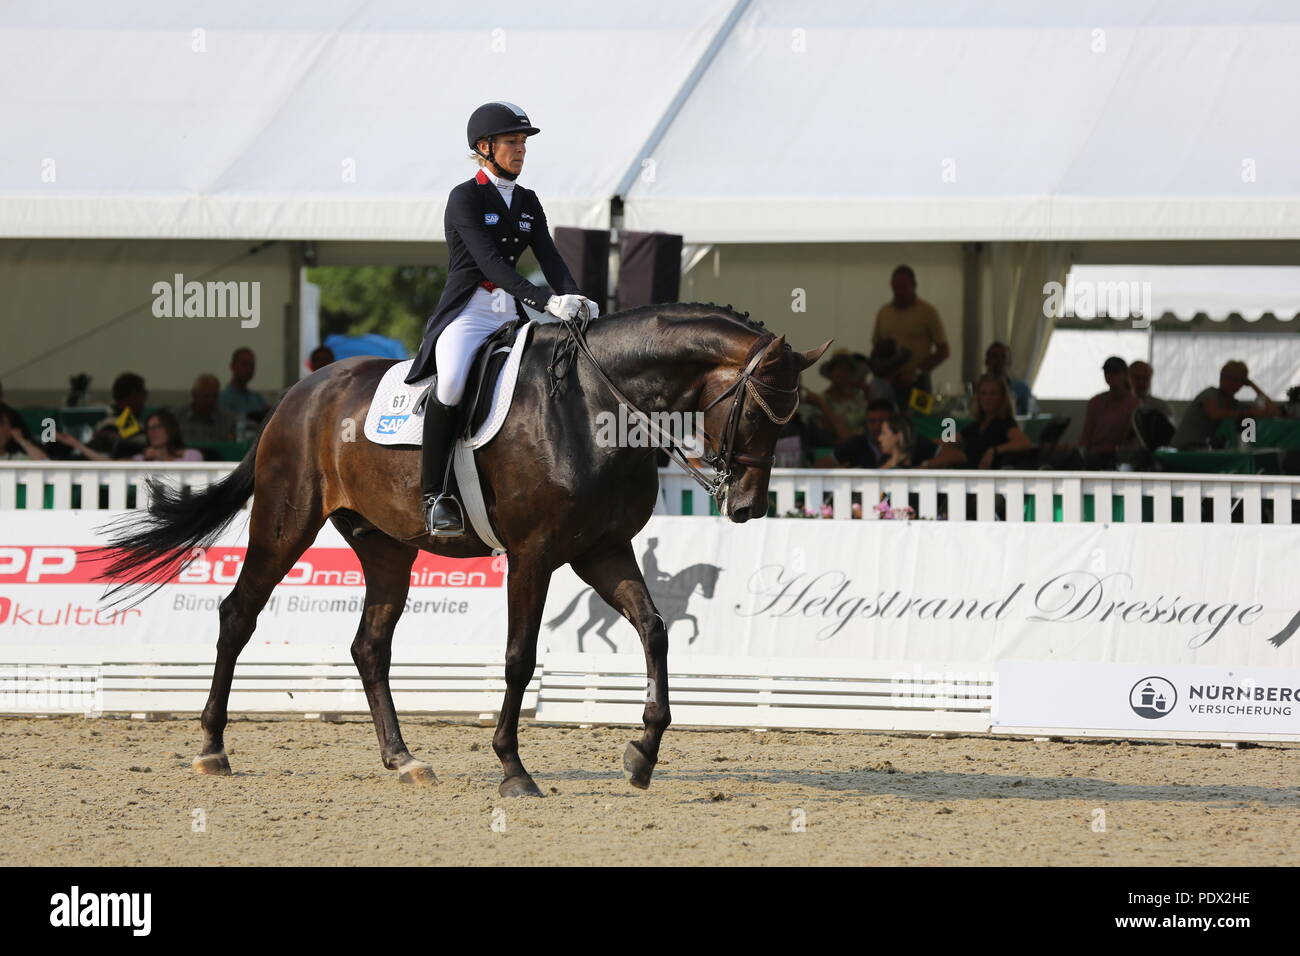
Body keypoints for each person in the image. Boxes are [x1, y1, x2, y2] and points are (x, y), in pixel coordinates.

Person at [404, 102, 598, 537]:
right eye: (512, 141)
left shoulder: (527, 202)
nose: (521, 150)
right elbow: (492, 265)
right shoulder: (465, 197)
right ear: (484, 147)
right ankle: (434, 495)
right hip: (468, 312)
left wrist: (578, 298)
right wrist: (548, 302)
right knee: (452, 382)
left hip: (508, 316)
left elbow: (549, 257)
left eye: (524, 142)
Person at [872, 265, 950, 409]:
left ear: (914, 285)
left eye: (904, 287)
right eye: (896, 287)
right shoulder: (884, 312)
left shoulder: (928, 312)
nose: (899, 291)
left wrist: (917, 371)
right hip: (887, 382)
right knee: (886, 422)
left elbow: (943, 351)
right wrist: (880, 370)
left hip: (918, 381)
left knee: (921, 423)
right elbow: (876, 346)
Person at [1170, 359, 1282, 450]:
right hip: (1185, 448)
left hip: (1207, 448)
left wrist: (1253, 386)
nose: (1227, 381)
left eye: (1234, 379)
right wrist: (1249, 412)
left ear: (1242, 383)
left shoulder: (1234, 404)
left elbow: (1274, 412)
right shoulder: (1210, 393)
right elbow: (1215, 414)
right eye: (1224, 376)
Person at [928, 373, 1033, 469]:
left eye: (993, 394)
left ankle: (923, 468)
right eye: (983, 393)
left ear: (1002, 397)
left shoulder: (1005, 423)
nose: (987, 398)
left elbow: (1024, 443)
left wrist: (995, 450)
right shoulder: (978, 424)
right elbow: (953, 439)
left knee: (954, 456)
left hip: (984, 475)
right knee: (945, 452)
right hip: (965, 472)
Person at [59, 409, 203, 462]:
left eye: (157, 427)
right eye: (148, 429)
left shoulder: (191, 455)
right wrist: (76, 444)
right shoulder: (143, 459)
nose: (151, 432)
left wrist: (161, 457)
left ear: (170, 429)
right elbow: (109, 464)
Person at [1076, 356, 1140, 468]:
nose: (1111, 376)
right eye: (1107, 372)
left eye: (1115, 372)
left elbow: (1130, 438)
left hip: (1120, 456)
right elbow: (1086, 435)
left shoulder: (1134, 404)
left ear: (1125, 374)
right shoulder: (1095, 402)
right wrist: (1080, 452)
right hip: (1095, 454)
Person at [799, 350, 873, 443]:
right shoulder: (821, 400)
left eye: (847, 370)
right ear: (830, 373)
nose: (842, 374)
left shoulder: (860, 396)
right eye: (838, 369)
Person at [172, 373, 238, 444]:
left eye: (214, 396)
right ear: (194, 394)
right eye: (206, 396)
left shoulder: (228, 419)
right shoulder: (176, 417)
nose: (210, 401)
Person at [984, 341, 1039, 416]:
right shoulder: (978, 389)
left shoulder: (1021, 389)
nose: (999, 360)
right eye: (994, 356)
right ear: (986, 362)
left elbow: (1029, 418)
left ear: (1009, 362)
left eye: (1003, 356)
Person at [219, 347, 269, 425]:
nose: (248, 369)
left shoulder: (258, 399)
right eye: (244, 364)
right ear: (232, 366)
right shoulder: (222, 399)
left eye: (251, 366)